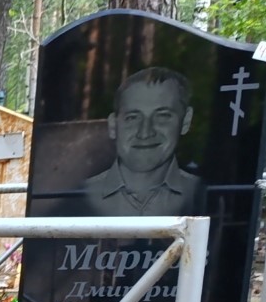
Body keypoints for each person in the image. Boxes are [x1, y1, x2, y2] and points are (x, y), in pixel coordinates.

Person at [70, 67, 207, 217]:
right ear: (113, 126)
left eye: (162, 116)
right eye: (132, 118)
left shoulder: (206, 195)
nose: (145, 133)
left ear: (186, 121)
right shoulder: (74, 198)